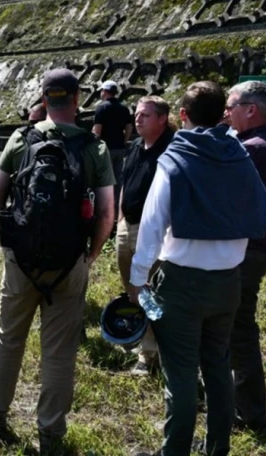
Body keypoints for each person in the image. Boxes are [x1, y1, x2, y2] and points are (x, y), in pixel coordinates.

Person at [0, 68, 115, 451]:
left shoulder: (21, 138)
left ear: (43, 98)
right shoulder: (93, 147)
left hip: (21, 261)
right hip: (70, 262)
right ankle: (50, 431)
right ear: (76, 98)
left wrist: (10, 244)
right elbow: (106, 214)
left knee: (9, 339)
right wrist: (91, 255)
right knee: (59, 350)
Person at [130, 81, 266, 456]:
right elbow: (259, 210)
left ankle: (174, 450)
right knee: (219, 369)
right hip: (229, 281)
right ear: (223, 113)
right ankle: (217, 448)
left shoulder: (175, 160)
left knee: (180, 373)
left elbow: (152, 224)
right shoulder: (239, 156)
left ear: (182, 116)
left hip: (183, 282)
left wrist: (137, 279)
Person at [227, 81, 266, 430]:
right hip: (257, 246)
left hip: (247, 249)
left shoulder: (253, 148)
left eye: (231, 105)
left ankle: (248, 409)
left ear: (251, 109)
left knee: (238, 328)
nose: (226, 111)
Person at [116, 96, 173, 376]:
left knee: (151, 291)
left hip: (154, 231)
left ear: (162, 118)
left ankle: (150, 354)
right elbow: (126, 183)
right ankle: (139, 337)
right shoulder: (136, 146)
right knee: (132, 289)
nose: (137, 119)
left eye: (145, 115)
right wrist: (119, 220)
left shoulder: (171, 148)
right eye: (137, 114)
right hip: (128, 225)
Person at [93, 80, 134, 217]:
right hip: (120, 149)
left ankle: (104, 213)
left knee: (104, 181)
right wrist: (125, 140)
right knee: (118, 181)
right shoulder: (123, 108)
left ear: (104, 91)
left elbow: (97, 130)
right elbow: (129, 126)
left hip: (105, 150)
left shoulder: (101, 108)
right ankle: (117, 213)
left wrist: (93, 146)